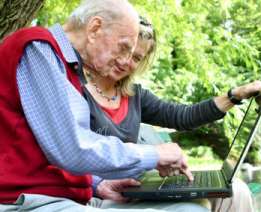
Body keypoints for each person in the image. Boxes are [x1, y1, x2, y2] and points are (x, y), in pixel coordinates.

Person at [0, 0, 206, 211]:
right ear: (94, 29)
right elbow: (73, 149)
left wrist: (98, 183)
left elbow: (52, 148)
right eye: (123, 47)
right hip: (25, 200)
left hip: (70, 198)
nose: (126, 61)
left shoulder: (67, 66)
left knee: (195, 203)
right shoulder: (37, 48)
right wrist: (154, 155)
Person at [79, 16, 261, 211]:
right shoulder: (76, 92)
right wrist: (96, 183)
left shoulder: (135, 96)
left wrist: (234, 96)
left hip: (137, 187)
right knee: (195, 207)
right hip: (101, 195)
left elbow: (182, 116)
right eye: (125, 50)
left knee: (237, 190)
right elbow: (62, 154)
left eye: (136, 57)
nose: (126, 61)